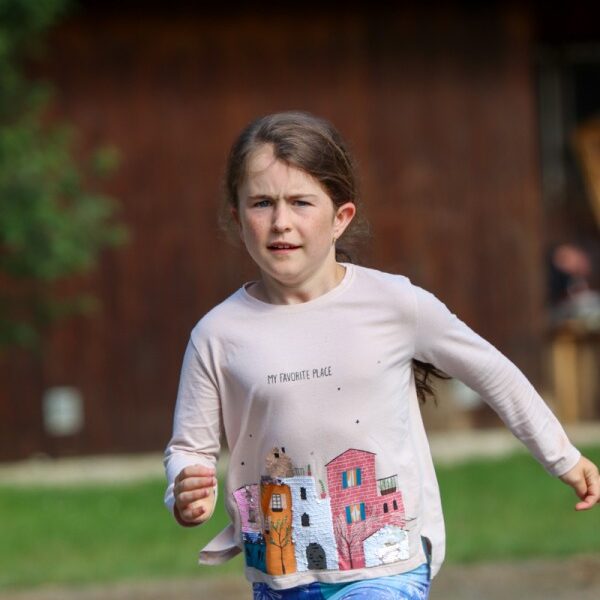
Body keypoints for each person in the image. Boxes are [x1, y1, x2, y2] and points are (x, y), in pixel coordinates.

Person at [164, 111, 599, 599]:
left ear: (340, 217)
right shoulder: (217, 334)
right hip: (280, 573)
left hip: (389, 565)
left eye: (300, 202)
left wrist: (563, 457)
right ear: (237, 217)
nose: (281, 221)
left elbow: (493, 374)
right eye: (262, 203)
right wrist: (185, 488)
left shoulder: (395, 304)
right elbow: (189, 449)